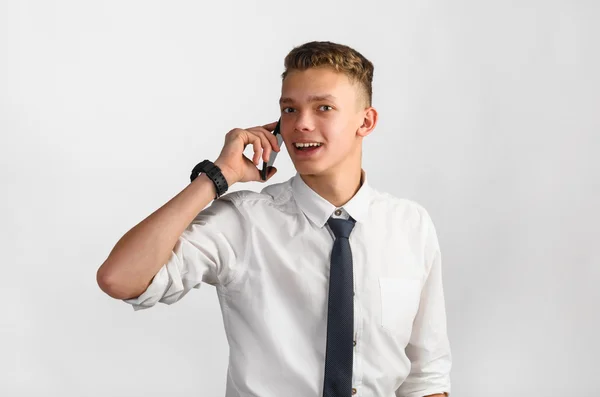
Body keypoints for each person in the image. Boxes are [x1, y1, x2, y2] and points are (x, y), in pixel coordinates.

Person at [96, 40, 452, 397]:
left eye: (323, 107)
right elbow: (120, 279)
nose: (302, 124)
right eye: (290, 109)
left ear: (366, 121)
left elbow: (426, 377)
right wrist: (217, 177)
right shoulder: (242, 222)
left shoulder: (410, 225)